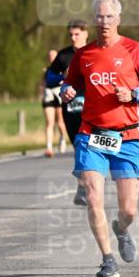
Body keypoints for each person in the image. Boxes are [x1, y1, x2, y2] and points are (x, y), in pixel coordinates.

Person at [60, 0, 139, 277]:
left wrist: (134, 94)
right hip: (91, 134)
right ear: (95, 20)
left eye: (109, 17)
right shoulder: (84, 55)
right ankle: (107, 260)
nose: (104, 23)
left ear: (118, 19)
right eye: (99, 17)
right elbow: (70, 84)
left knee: (128, 209)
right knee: (93, 198)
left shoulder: (135, 49)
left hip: (127, 138)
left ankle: (122, 228)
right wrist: (66, 91)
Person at [46, 20, 91, 205]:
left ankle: (89, 185)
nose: (73, 38)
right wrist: (61, 76)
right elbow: (48, 78)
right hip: (71, 110)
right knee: (79, 148)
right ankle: (84, 186)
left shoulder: (94, 52)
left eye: (77, 34)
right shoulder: (64, 55)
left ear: (86, 34)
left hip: (92, 108)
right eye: (71, 35)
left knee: (91, 147)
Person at [41, 48, 67, 158]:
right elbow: (43, 83)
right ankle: (49, 147)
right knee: (49, 122)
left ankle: (62, 138)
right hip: (49, 95)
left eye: (53, 56)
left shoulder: (63, 70)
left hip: (59, 96)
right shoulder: (46, 70)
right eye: (49, 56)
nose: (51, 58)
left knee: (60, 122)